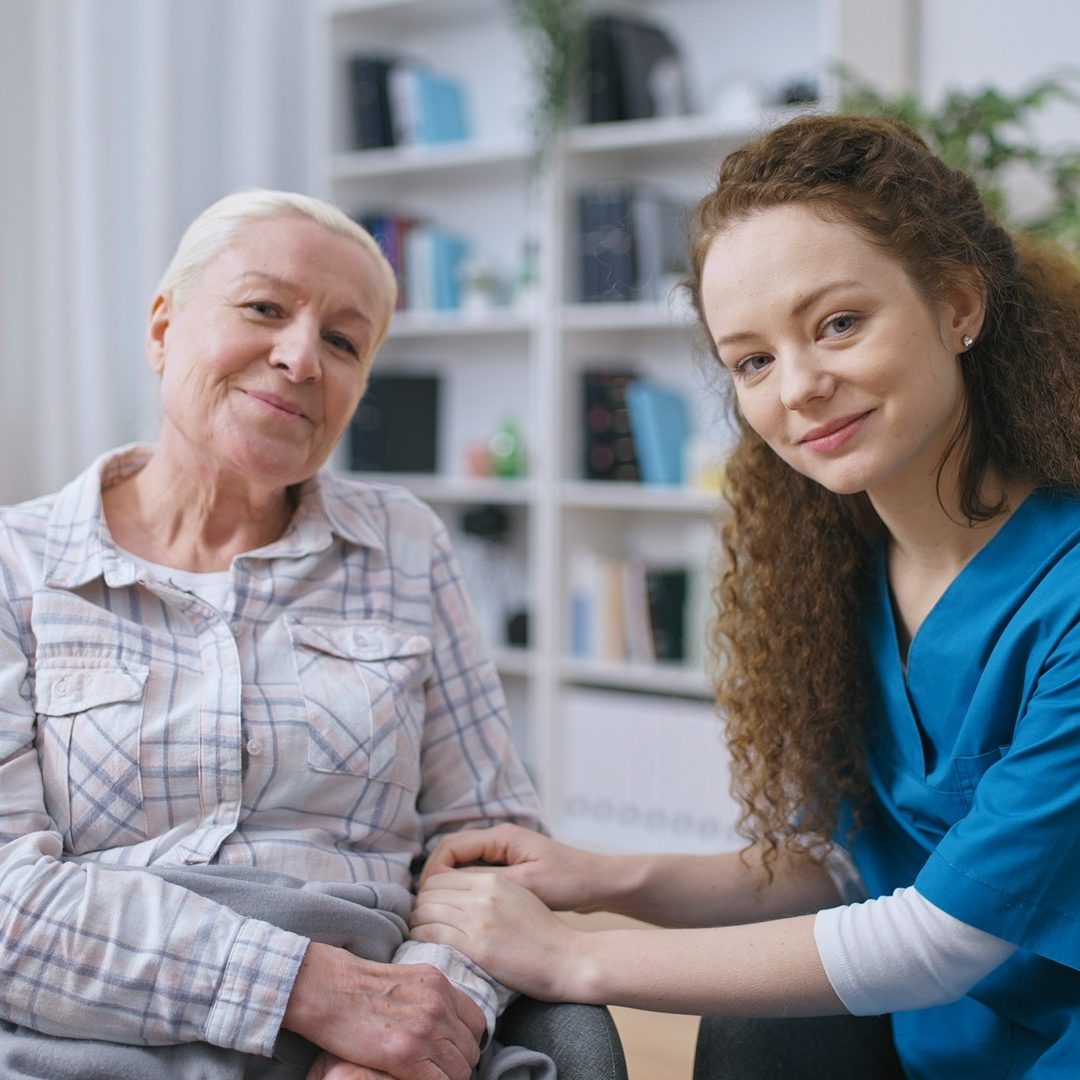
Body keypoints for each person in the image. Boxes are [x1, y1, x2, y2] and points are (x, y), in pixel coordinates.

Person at [410, 113, 1080, 1078]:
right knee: (758, 1031)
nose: (799, 387)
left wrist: (573, 952)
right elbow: (862, 865)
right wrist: (605, 878)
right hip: (940, 1041)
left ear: (958, 303)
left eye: (839, 323)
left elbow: (942, 937)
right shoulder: (851, 570)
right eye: (753, 360)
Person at [0, 188, 546, 1080]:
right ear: (163, 328)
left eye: (343, 341)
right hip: (89, 1036)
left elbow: (491, 849)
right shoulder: (16, 565)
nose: (300, 358)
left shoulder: (402, 545)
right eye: (264, 308)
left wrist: (420, 1028)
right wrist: (309, 991)